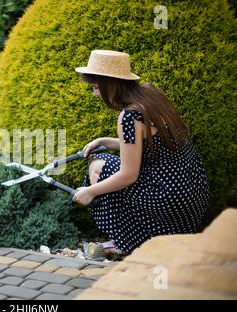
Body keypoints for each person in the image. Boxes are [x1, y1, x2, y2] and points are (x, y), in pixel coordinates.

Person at [72, 50, 209, 255]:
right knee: (107, 163)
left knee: (98, 166)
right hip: (191, 196)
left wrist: (90, 192)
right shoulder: (151, 96)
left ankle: (132, 241)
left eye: (95, 87)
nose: (95, 94)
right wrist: (106, 141)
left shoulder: (130, 116)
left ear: (109, 83)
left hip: (168, 199)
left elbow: (128, 175)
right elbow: (152, 142)